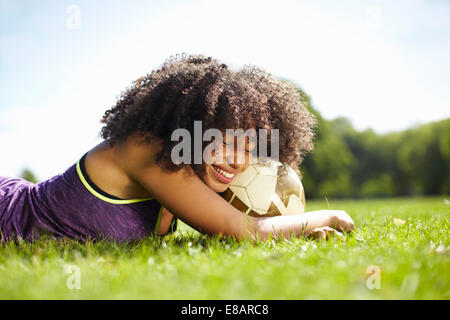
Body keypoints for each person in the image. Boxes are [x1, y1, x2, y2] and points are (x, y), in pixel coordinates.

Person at [0, 54, 355, 242]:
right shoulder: (146, 150)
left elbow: (240, 228)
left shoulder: (197, 170)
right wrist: (332, 217)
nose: (236, 160)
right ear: (190, 130)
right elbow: (248, 232)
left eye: (250, 148)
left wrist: (298, 230)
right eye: (224, 140)